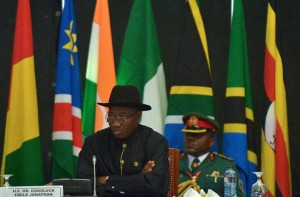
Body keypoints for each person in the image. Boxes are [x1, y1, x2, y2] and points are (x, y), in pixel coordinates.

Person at [77, 85, 169, 197]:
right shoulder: (93, 143)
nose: (115, 123)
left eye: (122, 117)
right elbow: (84, 184)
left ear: (137, 116)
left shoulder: (155, 142)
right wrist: (138, 179)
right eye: (111, 116)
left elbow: (154, 186)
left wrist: (106, 179)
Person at [178, 112, 245, 196]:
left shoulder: (225, 166)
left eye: (197, 135)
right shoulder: (173, 163)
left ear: (211, 141)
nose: (190, 138)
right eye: (188, 135)